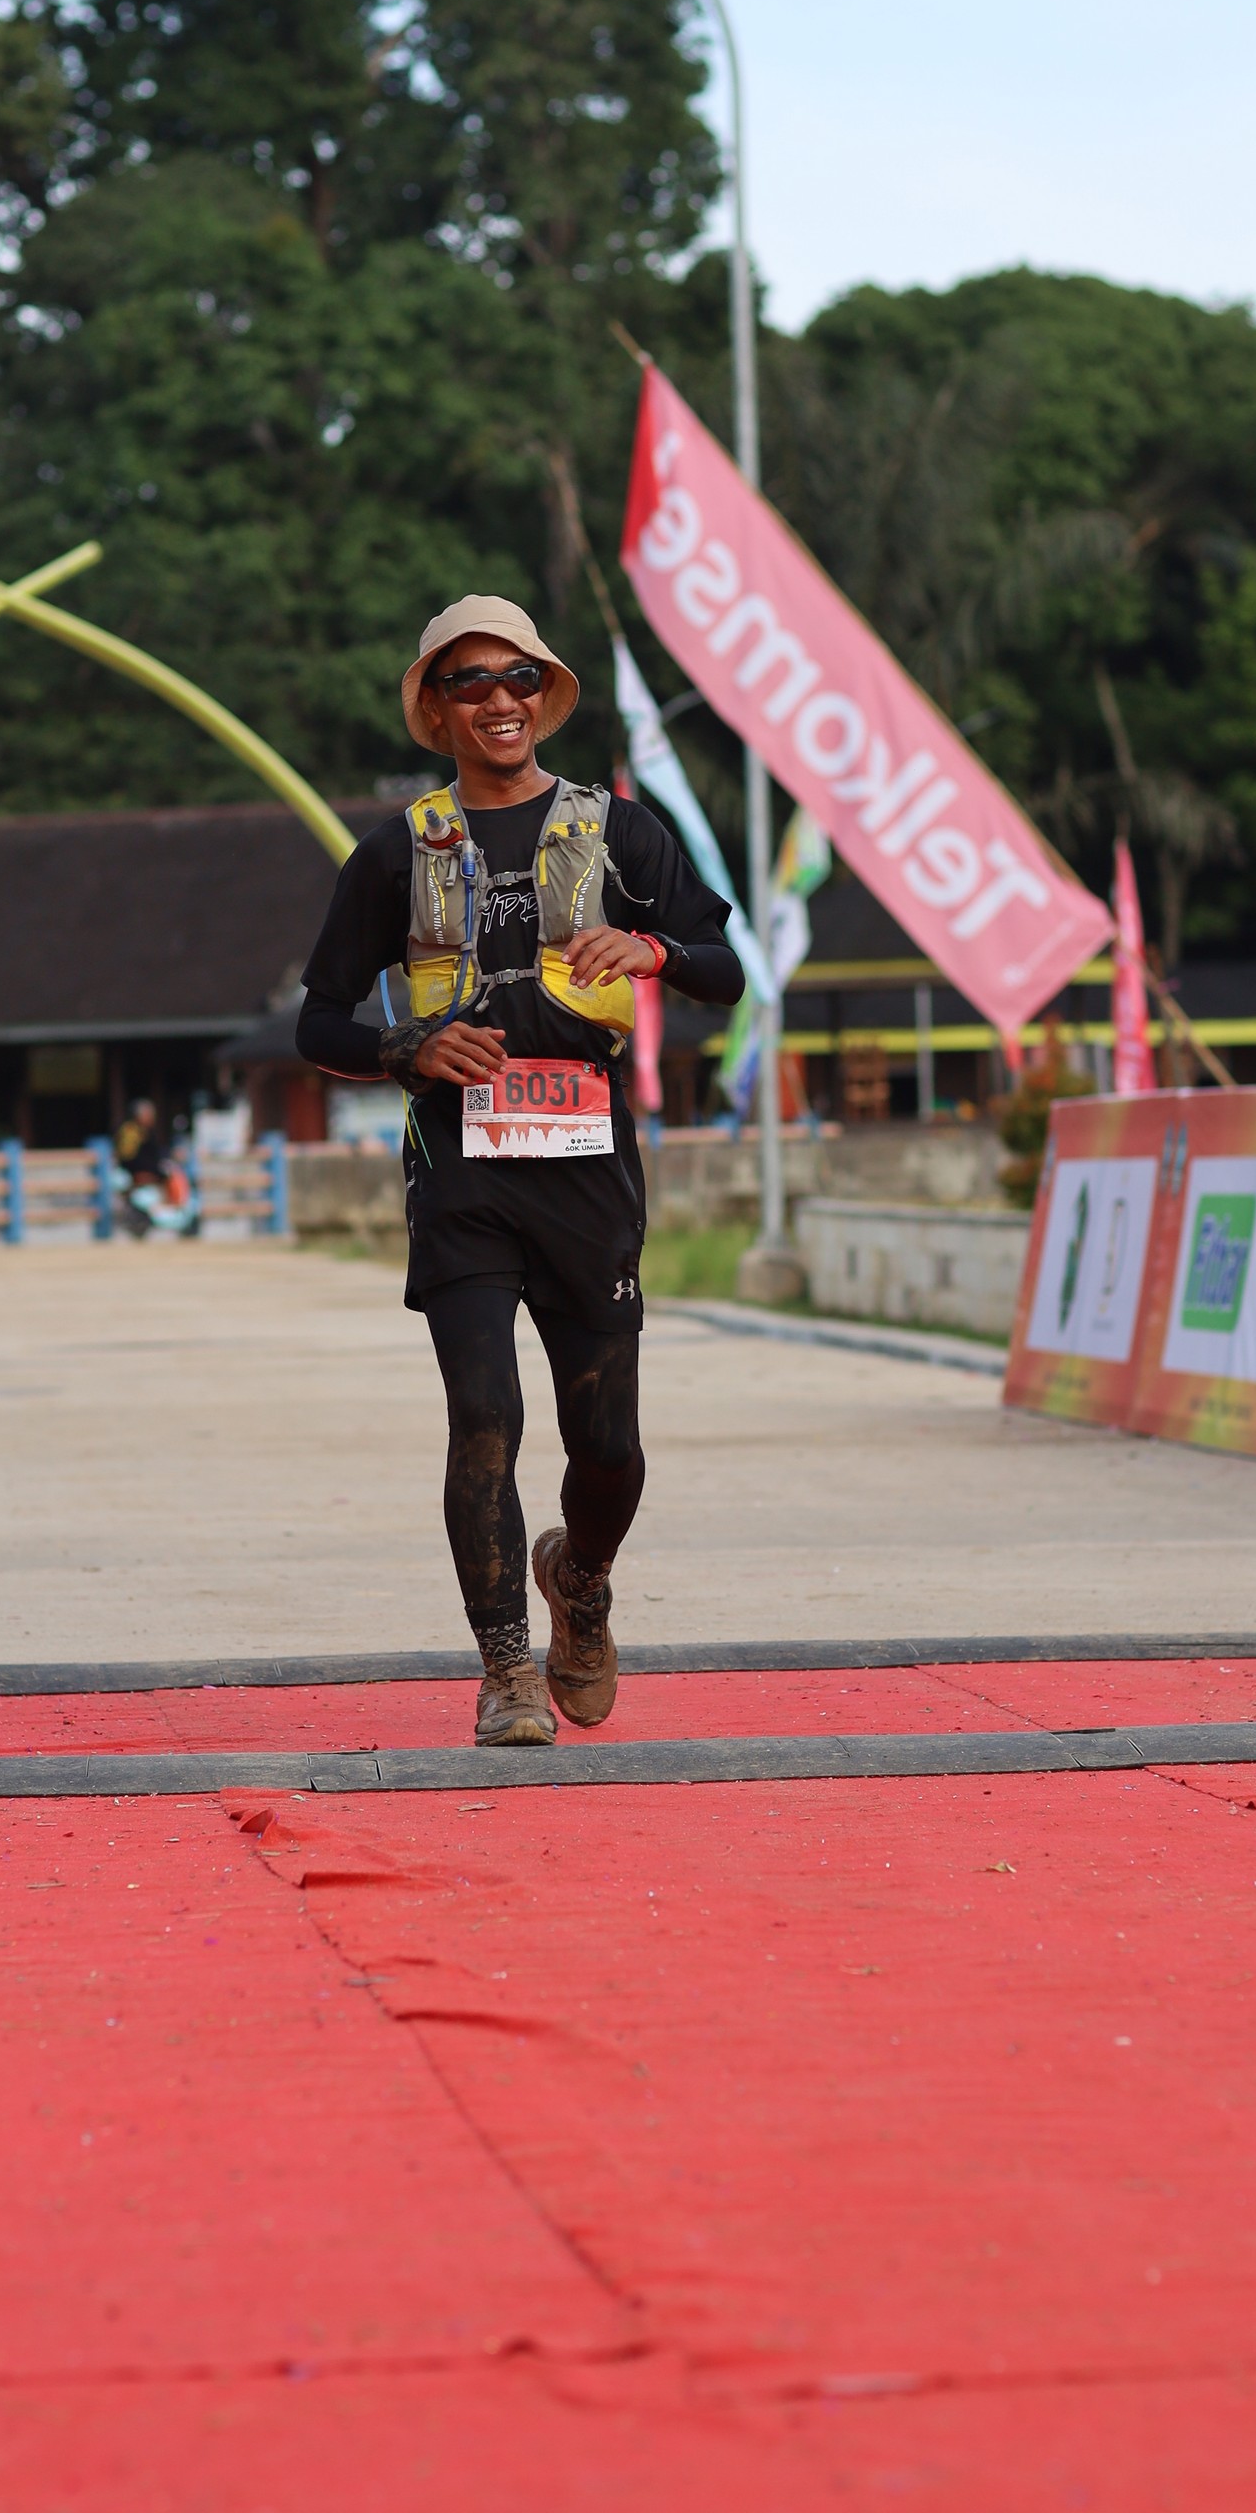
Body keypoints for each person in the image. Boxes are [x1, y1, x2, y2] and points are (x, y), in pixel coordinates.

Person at [297, 595, 745, 1746]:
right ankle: (503, 1668)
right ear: (435, 709)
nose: (498, 699)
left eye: (518, 678)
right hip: (462, 1169)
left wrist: (652, 948)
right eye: (470, 682)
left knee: (609, 1448)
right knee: (484, 1415)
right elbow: (319, 1021)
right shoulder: (396, 852)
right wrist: (406, 1046)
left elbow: (724, 968)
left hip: (588, 1166)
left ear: (544, 697)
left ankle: (579, 1580)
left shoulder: (620, 832)